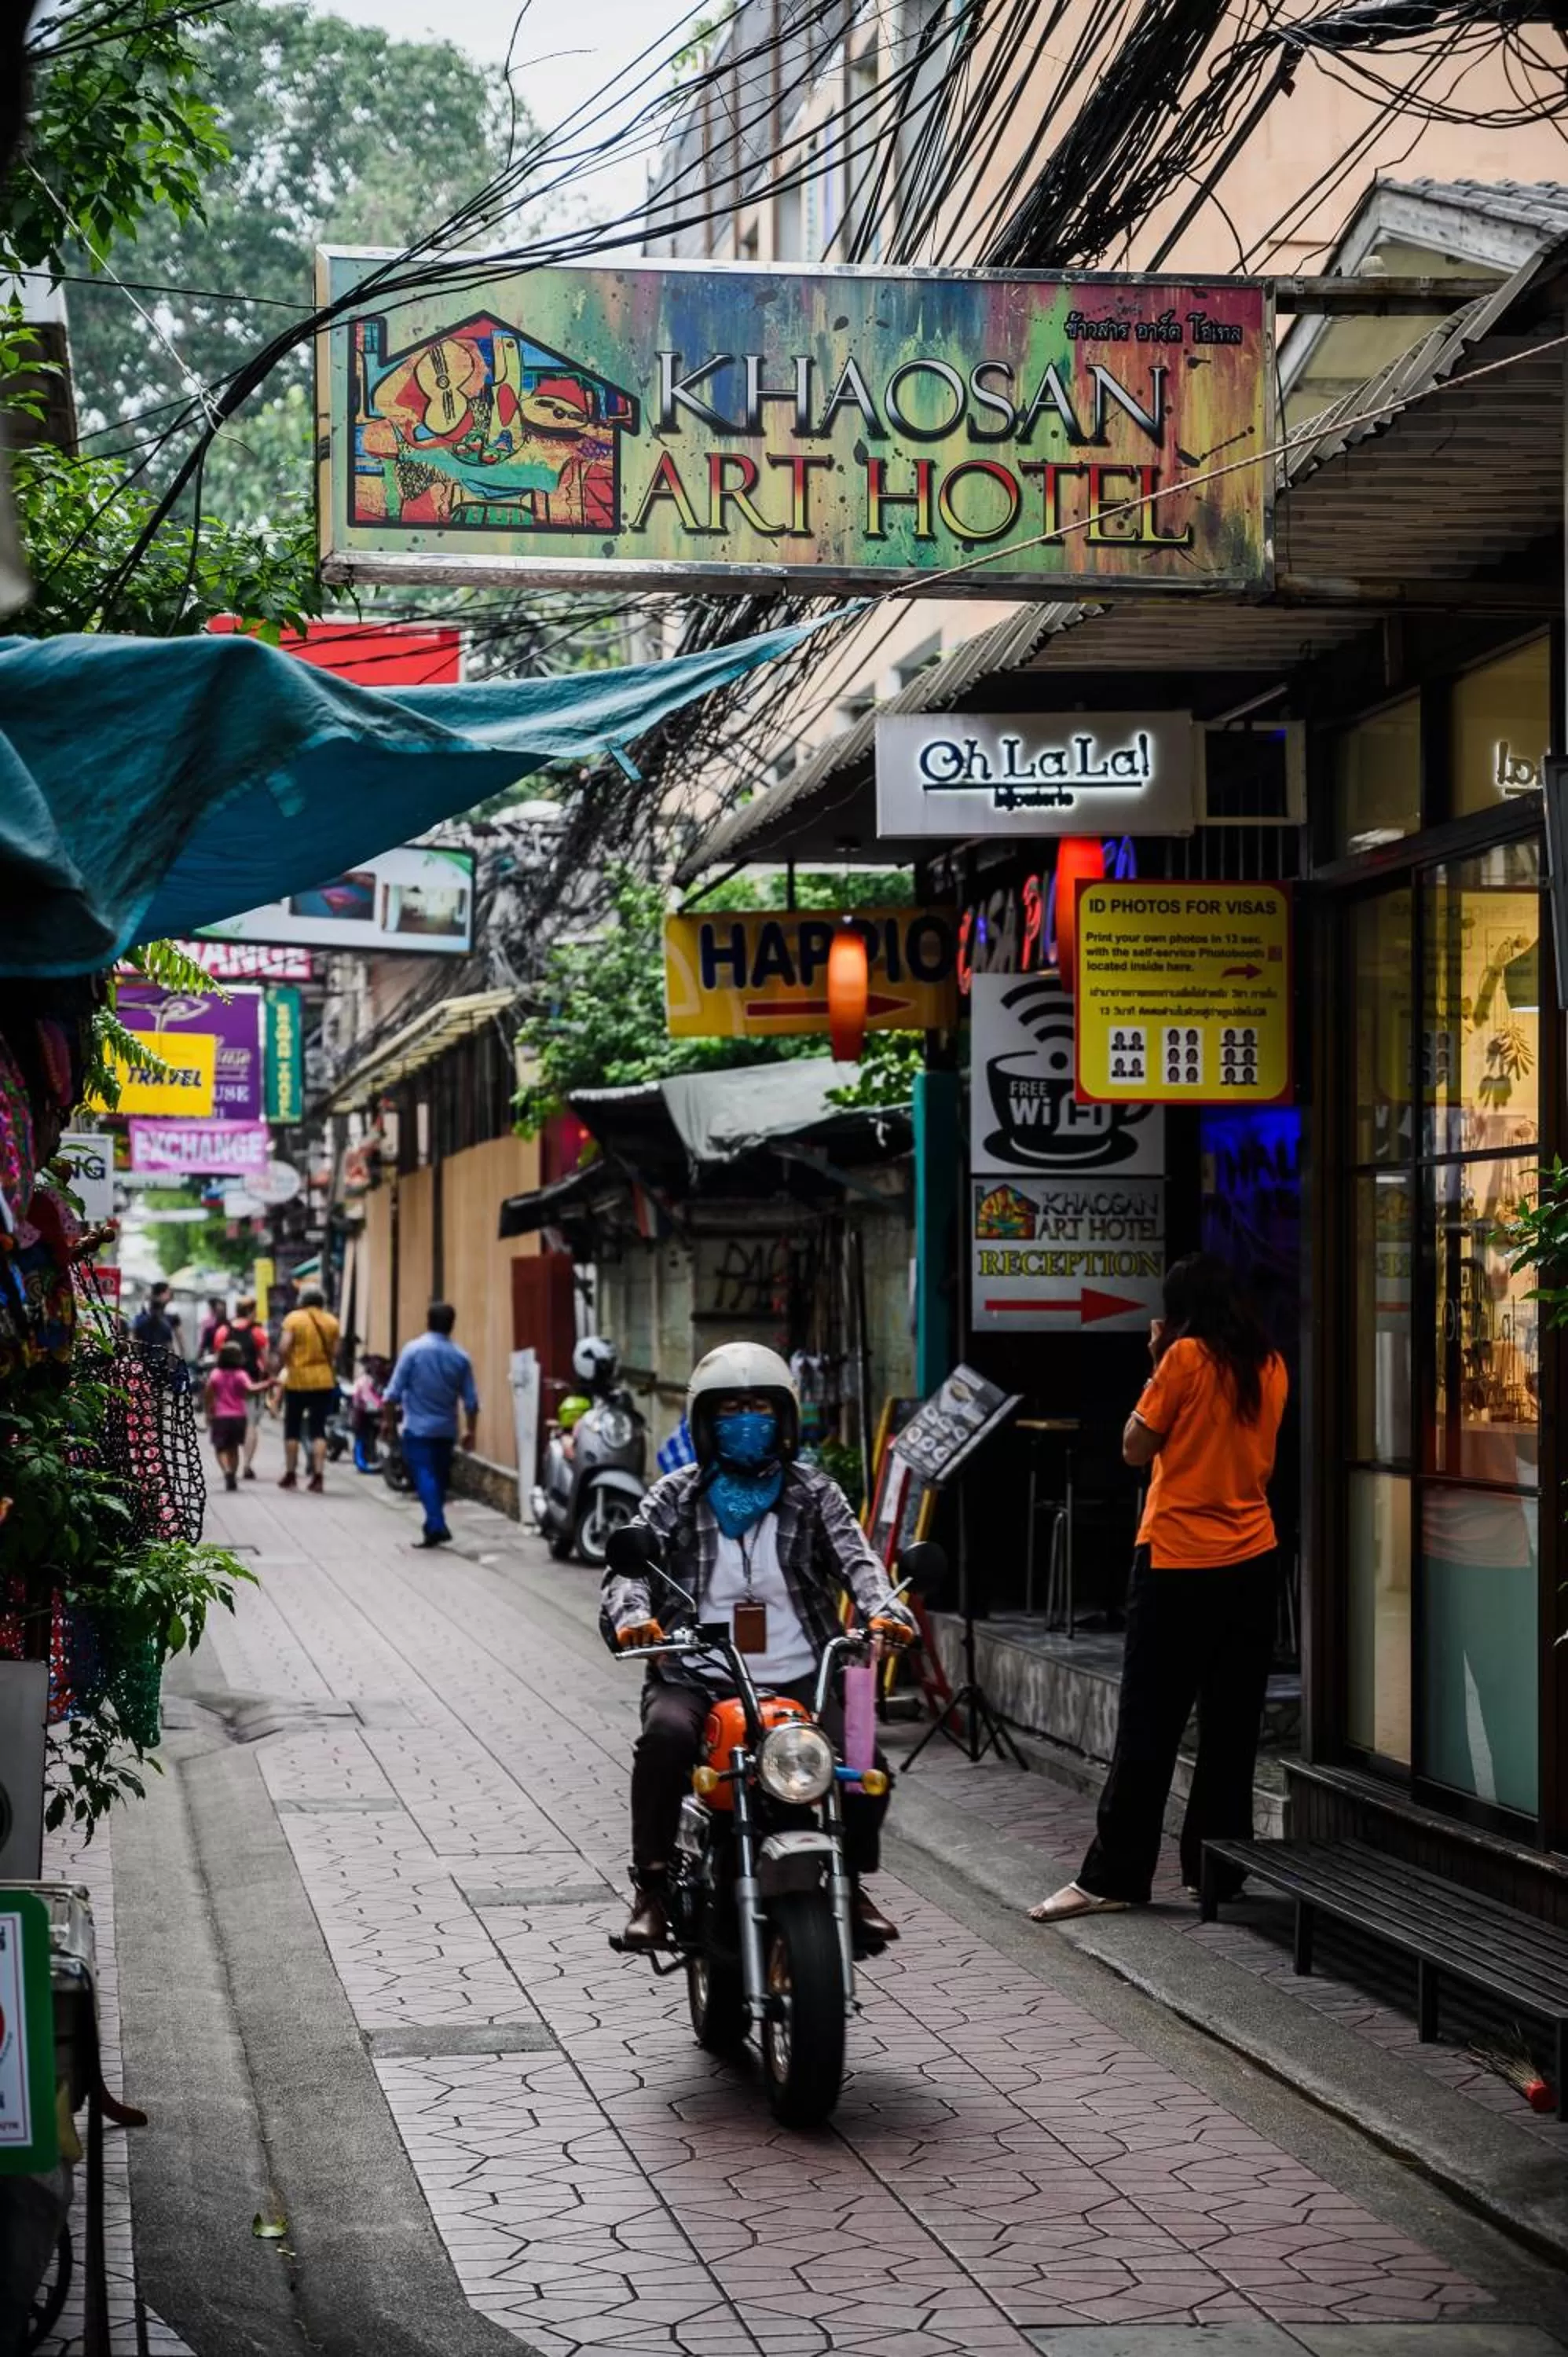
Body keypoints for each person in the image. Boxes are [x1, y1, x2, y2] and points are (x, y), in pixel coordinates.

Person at [601, 1341, 916, 1955]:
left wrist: (885, 1611)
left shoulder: (814, 1493)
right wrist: (635, 1618)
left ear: (784, 1418)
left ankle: (848, 1883)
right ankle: (654, 1889)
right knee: (664, 1740)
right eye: (731, 1409)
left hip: (804, 1677)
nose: (747, 1420)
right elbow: (627, 1571)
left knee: (865, 1762)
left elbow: (860, 1564)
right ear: (704, 1423)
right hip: (696, 1673)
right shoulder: (675, 1495)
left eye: (760, 1407)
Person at [1030, 1253, 1288, 1924]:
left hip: (1177, 1561)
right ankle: (1218, 1872)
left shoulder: (1183, 1360)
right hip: (1254, 1559)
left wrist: (1156, 1360)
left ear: (1179, 1310)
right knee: (1232, 1729)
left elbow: (1134, 1448)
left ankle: (1114, 1875)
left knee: (1149, 1725)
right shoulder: (1271, 1364)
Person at [383, 1303, 478, 1545]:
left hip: (418, 1428)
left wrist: (388, 1422)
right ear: (452, 1324)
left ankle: (436, 1524)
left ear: (428, 1321)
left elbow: (392, 1393)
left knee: (424, 1476)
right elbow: (471, 1401)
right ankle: (433, 1526)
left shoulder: (413, 1351)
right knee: (438, 1478)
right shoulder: (460, 1357)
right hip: (447, 1429)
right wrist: (471, 1430)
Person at [277, 1283, 341, 1494]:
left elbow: (284, 1347)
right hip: (323, 1380)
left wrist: (289, 1363)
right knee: (318, 1429)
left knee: (292, 1428)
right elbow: (336, 1352)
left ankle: (291, 1474)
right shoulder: (331, 1321)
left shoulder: (293, 1319)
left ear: (302, 1300)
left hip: (297, 1380)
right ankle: (318, 1477)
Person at [214, 1294, 271, 1480]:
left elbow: (217, 1358)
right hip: (251, 1383)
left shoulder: (223, 1331)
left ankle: (231, 1466)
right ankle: (246, 1464)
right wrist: (267, 1378)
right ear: (251, 1311)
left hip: (227, 1385)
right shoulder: (257, 1333)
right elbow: (266, 1359)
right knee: (251, 1424)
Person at [203, 1341, 270, 1493]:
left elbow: (208, 1393)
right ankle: (233, 1473)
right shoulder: (241, 1375)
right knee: (233, 1447)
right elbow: (251, 1389)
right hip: (239, 1417)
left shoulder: (215, 1374)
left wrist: (208, 1412)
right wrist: (267, 1384)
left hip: (220, 1416)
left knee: (220, 1447)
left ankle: (227, 1471)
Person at [350, 1353, 389, 1474]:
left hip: (367, 1413)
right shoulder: (365, 1380)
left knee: (366, 1437)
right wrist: (381, 1404)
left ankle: (364, 1461)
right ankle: (362, 1464)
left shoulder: (376, 1380)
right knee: (362, 1437)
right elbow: (370, 1397)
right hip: (361, 1414)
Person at [131, 1281, 176, 1348]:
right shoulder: (166, 1319)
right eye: (168, 1293)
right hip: (156, 1354)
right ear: (161, 1294)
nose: (170, 1296)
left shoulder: (141, 1318)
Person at [197, 1295, 226, 1360]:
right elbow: (203, 1344)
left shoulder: (229, 1326)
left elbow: (203, 1345)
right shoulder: (210, 1327)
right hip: (214, 1356)